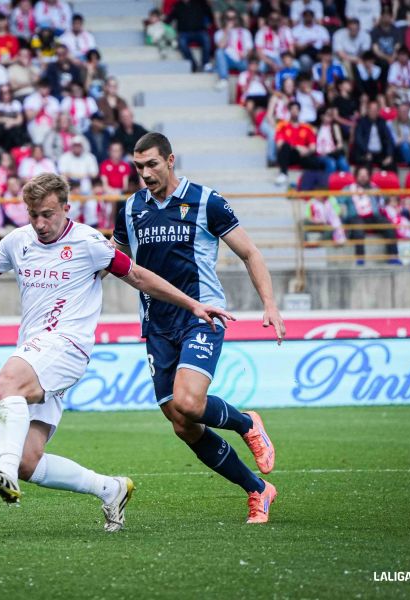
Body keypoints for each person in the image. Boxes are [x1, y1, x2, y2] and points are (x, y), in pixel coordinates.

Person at [0, 172, 230, 531]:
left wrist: (193, 305)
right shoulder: (17, 242)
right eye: (33, 214)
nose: (40, 223)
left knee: (6, 383)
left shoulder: (90, 244)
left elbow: (140, 277)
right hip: (36, 350)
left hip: (67, 346)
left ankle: (4, 474)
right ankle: (110, 488)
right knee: (29, 460)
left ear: (67, 208)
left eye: (48, 214)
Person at [107, 133, 282, 525]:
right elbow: (115, 261)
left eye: (152, 164)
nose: (145, 173)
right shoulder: (131, 209)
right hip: (156, 324)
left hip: (202, 318)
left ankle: (247, 423)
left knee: (188, 402)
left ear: (170, 160)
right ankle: (257, 490)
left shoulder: (206, 201)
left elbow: (250, 252)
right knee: (183, 423)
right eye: (139, 167)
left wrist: (269, 304)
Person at [339, 165, 400, 265]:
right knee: (358, 228)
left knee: (388, 226)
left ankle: (393, 257)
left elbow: (385, 200)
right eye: (361, 175)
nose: (363, 177)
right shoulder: (348, 189)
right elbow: (336, 200)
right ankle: (360, 259)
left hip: (373, 216)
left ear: (369, 176)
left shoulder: (374, 187)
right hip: (356, 216)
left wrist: (379, 194)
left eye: (365, 175)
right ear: (356, 176)